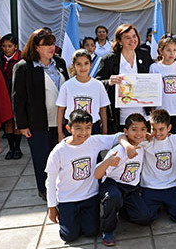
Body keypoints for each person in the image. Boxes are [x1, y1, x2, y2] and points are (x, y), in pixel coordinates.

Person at [45, 110, 130, 243]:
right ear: (69, 128)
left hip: (89, 196)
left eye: (88, 128)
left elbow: (119, 136)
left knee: (91, 232)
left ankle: (82, 218)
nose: (83, 133)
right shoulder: (58, 151)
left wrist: (128, 146)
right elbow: (50, 181)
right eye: (78, 128)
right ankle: (69, 218)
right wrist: (51, 207)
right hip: (67, 198)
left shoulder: (94, 141)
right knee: (69, 236)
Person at [13, 28, 70, 200]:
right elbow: (18, 98)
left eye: (52, 43)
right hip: (37, 123)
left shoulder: (59, 63)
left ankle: (62, 187)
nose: (51, 47)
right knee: (42, 158)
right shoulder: (23, 67)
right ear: (36, 47)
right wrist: (22, 125)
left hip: (61, 121)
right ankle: (45, 189)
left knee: (61, 157)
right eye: (46, 44)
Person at [95, 113, 150, 246]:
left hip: (131, 187)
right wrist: (107, 162)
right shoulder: (119, 150)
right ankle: (107, 230)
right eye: (134, 129)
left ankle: (122, 209)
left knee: (144, 218)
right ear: (126, 132)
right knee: (113, 197)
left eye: (143, 129)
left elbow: (157, 136)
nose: (139, 133)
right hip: (113, 185)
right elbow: (97, 174)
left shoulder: (144, 144)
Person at [96, 24, 153, 132]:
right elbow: (97, 82)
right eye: (127, 37)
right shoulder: (109, 59)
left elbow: (156, 71)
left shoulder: (145, 55)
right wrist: (109, 82)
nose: (132, 40)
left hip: (143, 113)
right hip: (120, 116)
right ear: (120, 41)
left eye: (134, 36)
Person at [56, 49, 110, 141]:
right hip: (72, 128)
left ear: (91, 64)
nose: (83, 67)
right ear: (73, 66)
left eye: (86, 63)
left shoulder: (98, 85)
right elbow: (61, 109)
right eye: (78, 64)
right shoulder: (67, 85)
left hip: (93, 127)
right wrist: (60, 132)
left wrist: (104, 129)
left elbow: (103, 109)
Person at [150, 37, 176, 134]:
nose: (172, 53)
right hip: (161, 110)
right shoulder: (154, 67)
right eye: (168, 50)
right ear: (161, 51)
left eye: (174, 50)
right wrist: (152, 109)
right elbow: (152, 90)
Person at [0, 34, 23, 159]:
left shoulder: (21, 59)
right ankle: (11, 148)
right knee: (7, 121)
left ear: (15, 47)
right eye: (4, 46)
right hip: (4, 93)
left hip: (17, 93)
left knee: (16, 121)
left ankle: (18, 147)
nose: (7, 49)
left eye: (10, 46)